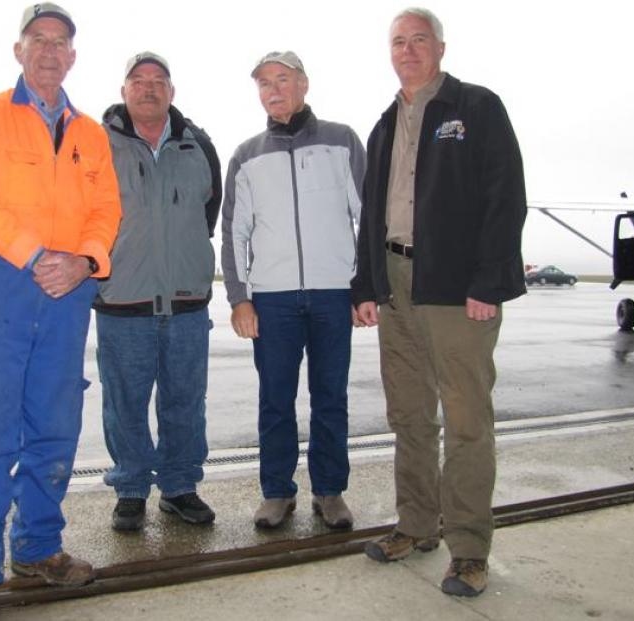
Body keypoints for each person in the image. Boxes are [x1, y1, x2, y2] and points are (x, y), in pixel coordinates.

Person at [0, 4, 121, 619]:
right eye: (38, 40)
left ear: (73, 56)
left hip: (70, 288)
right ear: (18, 51)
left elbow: (107, 210)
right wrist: (34, 256)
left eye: (61, 42)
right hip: (1, 281)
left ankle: (38, 547)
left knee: (54, 424)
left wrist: (85, 260)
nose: (50, 50)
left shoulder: (91, 133)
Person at [351, 7, 527, 598]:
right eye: (398, 42)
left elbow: (506, 198)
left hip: (456, 288)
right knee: (408, 414)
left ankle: (470, 550)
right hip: (395, 284)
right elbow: (371, 213)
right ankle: (416, 525)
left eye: (418, 40)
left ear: (441, 48)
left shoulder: (475, 109)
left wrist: (490, 281)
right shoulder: (382, 124)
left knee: (467, 419)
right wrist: (366, 285)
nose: (408, 50)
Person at [221, 51, 365, 530]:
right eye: (264, 83)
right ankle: (277, 492)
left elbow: (369, 216)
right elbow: (232, 232)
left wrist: (364, 285)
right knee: (275, 399)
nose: (273, 89)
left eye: (282, 79)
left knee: (330, 396)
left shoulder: (341, 141)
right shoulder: (246, 155)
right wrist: (240, 297)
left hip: (331, 294)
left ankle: (330, 491)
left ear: (304, 84)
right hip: (272, 298)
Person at [96, 51, 222, 531]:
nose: (149, 88)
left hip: (188, 302)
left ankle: (179, 486)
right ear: (123, 89)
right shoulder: (98, 143)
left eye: (159, 80)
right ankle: (130, 488)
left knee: (186, 399)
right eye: (138, 80)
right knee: (123, 401)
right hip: (122, 300)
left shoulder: (199, 144)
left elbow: (207, 217)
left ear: (172, 91)